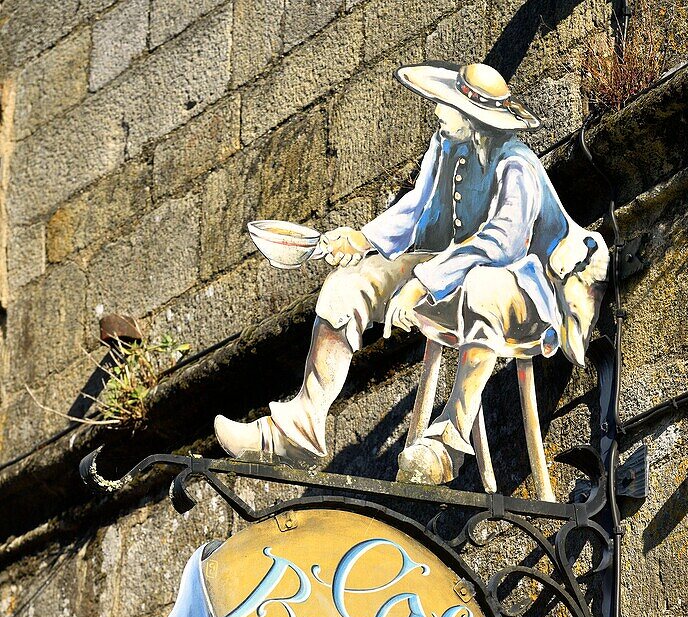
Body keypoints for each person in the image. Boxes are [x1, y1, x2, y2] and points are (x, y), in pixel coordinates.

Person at [215, 62, 609, 485]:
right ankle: (298, 430)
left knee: (482, 286)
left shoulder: (518, 166)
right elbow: (415, 207)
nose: (438, 110)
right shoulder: (447, 147)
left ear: (474, 120)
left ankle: (448, 443)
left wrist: (423, 282)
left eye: (448, 105)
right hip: (452, 277)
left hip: (527, 294)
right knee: (348, 285)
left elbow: (501, 244)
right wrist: (362, 240)